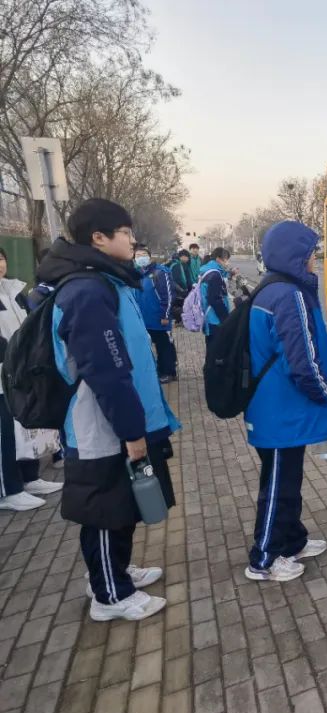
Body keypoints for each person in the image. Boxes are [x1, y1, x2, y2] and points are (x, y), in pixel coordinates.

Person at [38, 198, 180, 621]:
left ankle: (114, 571)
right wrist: (132, 431)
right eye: (125, 233)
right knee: (104, 510)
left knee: (123, 506)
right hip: (101, 425)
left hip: (122, 419)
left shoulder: (106, 281)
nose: (133, 240)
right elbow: (107, 371)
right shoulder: (87, 291)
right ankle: (109, 594)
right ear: (98, 238)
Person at [244, 221, 327, 582]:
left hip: (274, 409)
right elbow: (302, 361)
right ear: (296, 256)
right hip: (281, 411)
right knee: (279, 487)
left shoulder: (272, 290)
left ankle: (292, 541)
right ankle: (264, 558)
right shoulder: (290, 296)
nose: (315, 260)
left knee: (286, 479)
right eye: (312, 253)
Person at [0, 248, 62, 511]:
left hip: (20, 372)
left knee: (24, 425)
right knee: (4, 433)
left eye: (1, 258)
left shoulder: (15, 292)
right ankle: (9, 490)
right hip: (3, 374)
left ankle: (30, 477)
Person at [135, 245, 178, 383]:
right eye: (137, 256)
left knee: (164, 346)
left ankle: (169, 372)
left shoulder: (160, 272)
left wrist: (165, 315)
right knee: (151, 347)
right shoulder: (137, 274)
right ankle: (159, 370)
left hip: (160, 319)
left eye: (143, 255)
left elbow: (169, 296)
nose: (140, 258)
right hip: (145, 319)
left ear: (149, 256)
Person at [198, 247, 231, 344]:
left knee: (211, 347)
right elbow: (215, 299)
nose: (227, 262)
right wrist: (225, 318)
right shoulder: (215, 275)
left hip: (208, 314)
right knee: (216, 351)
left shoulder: (207, 270)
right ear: (218, 259)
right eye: (226, 259)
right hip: (215, 318)